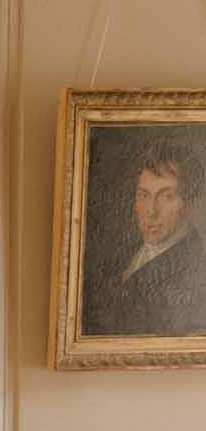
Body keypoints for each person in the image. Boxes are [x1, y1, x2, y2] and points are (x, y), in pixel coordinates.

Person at [83, 140, 206, 338]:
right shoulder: (124, 250)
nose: (151, 211)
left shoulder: (195, 270)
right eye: (143, 195)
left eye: (166, 197)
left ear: (190, 204)